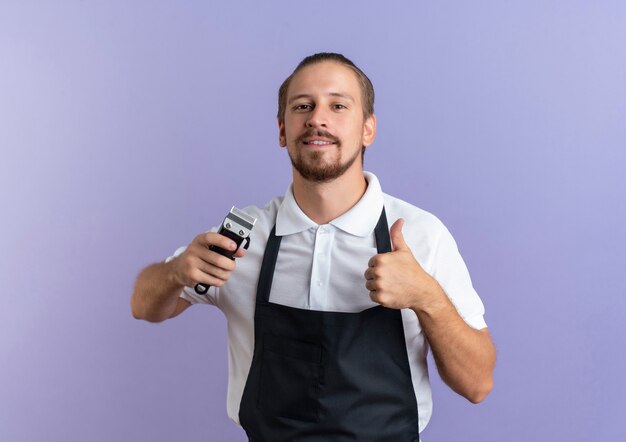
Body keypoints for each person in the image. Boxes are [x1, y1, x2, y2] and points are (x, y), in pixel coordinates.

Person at [131, 52, 495, 441]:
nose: (317, 118)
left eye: (338, 105)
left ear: (368, 129)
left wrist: (427, 297)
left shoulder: (421, 235)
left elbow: (477, 384)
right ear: (282, 130)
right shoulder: (243, 237)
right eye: (302, 106)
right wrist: (174, 273)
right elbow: (143, 305)